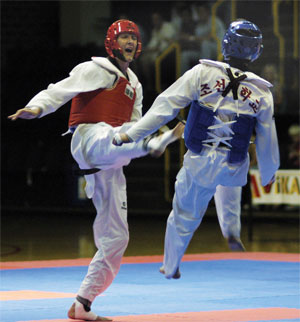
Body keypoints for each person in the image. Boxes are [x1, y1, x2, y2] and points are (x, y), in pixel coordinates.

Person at [8, 19, 184, 320]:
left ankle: (83, 304)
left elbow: (135, 123)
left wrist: (146, 132)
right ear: (112, 42)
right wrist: (35, 108)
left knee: (116, 240)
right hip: (89, 138)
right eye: (124, 36)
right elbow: (59, 91)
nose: (129, 41)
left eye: (133, 37)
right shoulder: (95, 68)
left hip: (109, 166)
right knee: (112, 136)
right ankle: (154, 144)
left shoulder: (136, 85)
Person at [114, 20, 280, 279]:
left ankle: (170, 266)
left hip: (201, 161)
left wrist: (131, 134)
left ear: (226, 44)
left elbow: (164, 106)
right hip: (235, 163)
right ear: (256, 50)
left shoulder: (202, 73)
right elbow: (267, 139)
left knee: (184, 215)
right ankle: (231, 230)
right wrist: (270, 172)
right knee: (230, 189)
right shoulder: (261, 92)